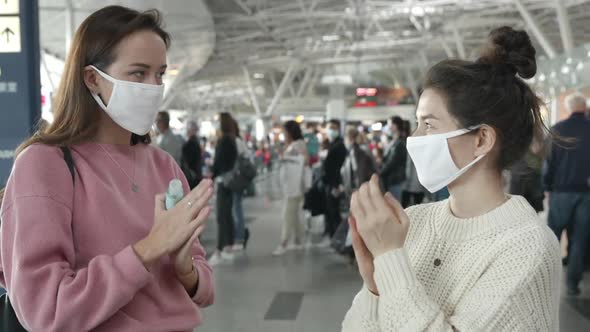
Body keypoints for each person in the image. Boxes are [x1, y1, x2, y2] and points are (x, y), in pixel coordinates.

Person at [0, 6, 214, 331]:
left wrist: (186, 269)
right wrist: (148, 250)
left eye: (160, 74)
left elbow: (203, 283)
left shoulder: (163, 165)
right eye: (139, 73)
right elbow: (45, 310)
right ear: (92, 79)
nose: (153, 86)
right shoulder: (45, 164)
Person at [343, 26, 561, 331]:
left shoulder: (528, 247)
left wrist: (391, 259)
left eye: (429, 125)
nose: (415, 138)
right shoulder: (413, 221)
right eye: (417, 123)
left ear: (481, 140)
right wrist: (374, 287)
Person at [544, 91, 590, 296]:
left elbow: (549, 163)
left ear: (569, 107)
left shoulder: (557, 130)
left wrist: (546, 187)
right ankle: (572, 284)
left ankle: (546, 282)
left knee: (553, 237)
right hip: (586, 194)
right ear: (585, 107)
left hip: (561, 192)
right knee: (580, 239)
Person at [273, 121, 309, 256]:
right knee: (293, 214)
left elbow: (305, 160)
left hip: (295, 186)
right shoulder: (292, 144)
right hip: (290, 185)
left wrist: (288, 158)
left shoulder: (298, 144)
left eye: (284, 131)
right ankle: (299, 240)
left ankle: (284, 242)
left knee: (288, 214)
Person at [209, 113, 238, 266]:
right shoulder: (232, 140)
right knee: (227, 213)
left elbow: (218, 162)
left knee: (221, 215)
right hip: (230, 180)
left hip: (222, 181)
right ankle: (229, 246)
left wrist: (211, 175)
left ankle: (220, 249)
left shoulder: (223, 141)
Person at [321, 120, 348, 241]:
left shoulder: (339, 145)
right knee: (330, 210)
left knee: (334, 211)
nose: (331, 130)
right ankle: (332, 235)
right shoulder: (331, 144)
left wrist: (336, 185)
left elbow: (338, 167)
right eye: (329, 128)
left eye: (333, 128)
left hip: (334, 184)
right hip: (330, 182)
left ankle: (336, 238)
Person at [510, 132, 546, 213]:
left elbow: (540, 151)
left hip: (529, 175)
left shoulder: (536, 133)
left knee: (530, 211)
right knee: (518, 209)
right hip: (521, 175)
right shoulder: (517, 132)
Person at [232, 120, 251, 251]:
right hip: (240, 179)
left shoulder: (236, 142)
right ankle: (240, 234)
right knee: (236, 207)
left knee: (236, 208)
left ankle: (240, 236)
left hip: (236, 180)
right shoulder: (239, 141)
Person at [380, 116, 407, 201]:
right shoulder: (393, 141)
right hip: (390, 179)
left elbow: (392, 162)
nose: (388, 127)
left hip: (395, 179)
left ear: (395, 126)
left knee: (394, 206)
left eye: (389, 124)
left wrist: (380, 172)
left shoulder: (400, 143)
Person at [181, 121, 203, 189]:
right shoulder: (196, 142)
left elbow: (187, 161)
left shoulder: (190, 144)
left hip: (191, 176)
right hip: (196, 174)